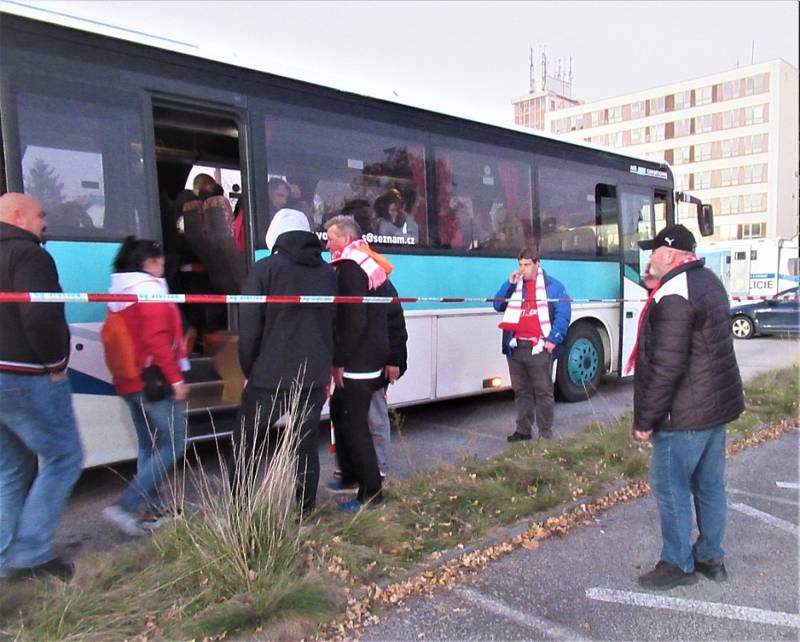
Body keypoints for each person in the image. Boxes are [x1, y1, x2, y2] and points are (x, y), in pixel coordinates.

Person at [631, 224, 744, 591]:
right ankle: (711, 558)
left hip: (683, 416)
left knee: (671, 487)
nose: (649, 260)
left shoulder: (675, 293)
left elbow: (667, 365)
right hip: (714, 409)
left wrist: (646, 418)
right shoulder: (707, 281)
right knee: (710, 486)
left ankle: (677, 564)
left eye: (652, 253)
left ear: (668, 255)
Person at [0, 192, 84, 582]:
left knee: (12, 468)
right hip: (26, 375)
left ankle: (5, 558)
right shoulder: (30, 255)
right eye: (40, 215)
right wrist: (55, 364)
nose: (45, 223)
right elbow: (41, 314)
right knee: (64, 457)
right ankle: (30, 555)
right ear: (17, 217)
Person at [235, 208, 336, 517]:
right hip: (315, 374)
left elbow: (249, 326)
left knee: (249, 444)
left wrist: (248, 369)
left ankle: (242, 509)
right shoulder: (329, 273)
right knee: (304, 445)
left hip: (268, 374)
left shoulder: (264, 269)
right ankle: (305, 510)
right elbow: (335, 323)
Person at [101, 237, 189, 537]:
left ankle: (152, 510)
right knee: (174, 443)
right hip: (154, 381)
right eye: (159, 259)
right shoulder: (149, 290)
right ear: (148, 262)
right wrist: (176, 379)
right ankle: (125, 506)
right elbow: (157, 340)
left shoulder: (118, 292)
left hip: (128, 381)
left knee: (148, 446)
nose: (163, 264)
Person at [324, 215, 392, 511]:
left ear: (346, 239)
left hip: (358, 362)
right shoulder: (367, 264)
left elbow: (353, 320)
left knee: (356, 425)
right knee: (342, 416)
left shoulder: (351, 268)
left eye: (331, 238)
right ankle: (351, 476)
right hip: (365, 357)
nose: (327, 243)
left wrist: (339, 360)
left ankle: (371, 494)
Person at [493, 247, 570, 441]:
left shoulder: (554, 286)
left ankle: (545, 433)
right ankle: (523, 430)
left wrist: (553, 340)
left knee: (543, 392)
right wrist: (509, 285)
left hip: (539, 347)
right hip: (516, 345)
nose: (523, 269)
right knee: (521, 391)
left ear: (537, 264)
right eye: (520, 264)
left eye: (527, 264)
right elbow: (497, 305)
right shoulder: (516, 285)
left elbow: (563, 314)